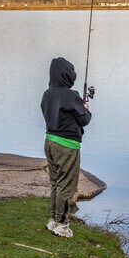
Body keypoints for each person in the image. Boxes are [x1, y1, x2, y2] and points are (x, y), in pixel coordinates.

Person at [40, 57, 92, 238]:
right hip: (67, 145)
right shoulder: (71, 95)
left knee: (55, 183)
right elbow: (84, 119)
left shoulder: (47, 94)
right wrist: (86, 108)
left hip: (50, 142)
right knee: (66, 185)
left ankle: (53, 220)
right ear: (67, 75)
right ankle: (61, 225)